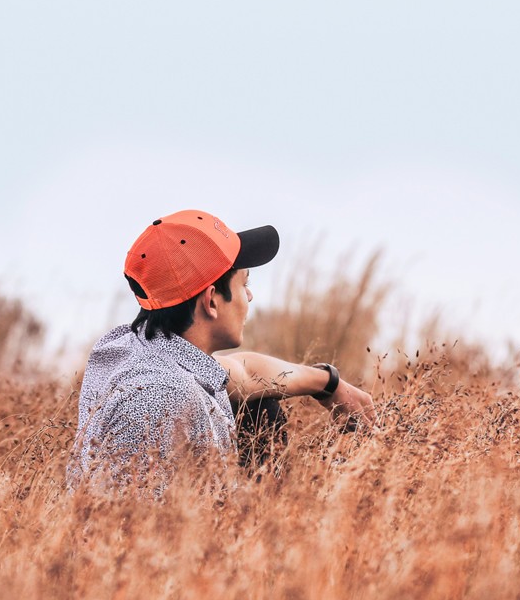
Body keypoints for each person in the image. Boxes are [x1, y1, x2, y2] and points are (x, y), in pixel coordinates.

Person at [67, 209, 375, 491]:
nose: (250, 297)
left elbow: (244, 373)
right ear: (212, 300)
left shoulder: (130, 347)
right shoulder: (161, 398)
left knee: (258, 408)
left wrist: (328, 384)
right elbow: (133, 533)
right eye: (244, 284)